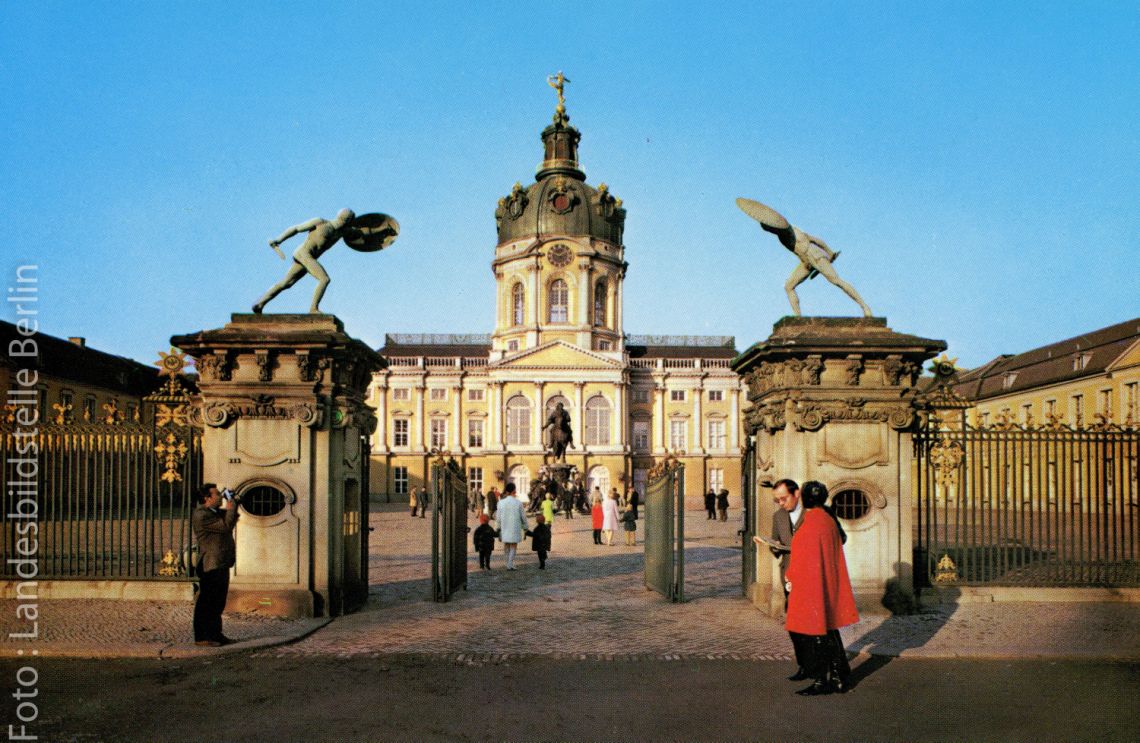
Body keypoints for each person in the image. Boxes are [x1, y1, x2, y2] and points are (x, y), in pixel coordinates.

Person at [736, 198, 872, 318]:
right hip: (806, 262)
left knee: (836, 280)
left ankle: (865, 306)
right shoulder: (781, 237)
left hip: (815, 256)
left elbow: (815, 240)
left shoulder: (791, 231)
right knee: (789, 286)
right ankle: (798, 318)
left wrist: (829, 253)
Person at [784, 481, 858, 695]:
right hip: (826, 581)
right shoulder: (828, 519)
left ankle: (821, 680)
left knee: (816, 632)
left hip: (812, 585)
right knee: (829, 630)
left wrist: (790, 576)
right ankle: (839, 676)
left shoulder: (810, 524)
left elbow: (801, 558)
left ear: (805, 498)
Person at [252, 208, 362, 314]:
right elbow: (296, 229)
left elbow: (363, 234)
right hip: (304, 254)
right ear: (348, 221)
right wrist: (278, 240)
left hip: (309, 257)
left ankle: (259, 304)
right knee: (324, 279)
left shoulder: (343, 232)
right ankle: (313, 309)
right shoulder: (320, 222)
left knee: (286, 283)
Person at [755, 478, 808, 680]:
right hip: (789, 574)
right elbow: (776, 545)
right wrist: (772, 545)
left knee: (812, 623)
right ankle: (804, 665)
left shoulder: (811, 513)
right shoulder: (778, 516)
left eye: (784, 499)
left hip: (810, 575)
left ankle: (818, 664)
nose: (780, 503)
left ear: (797, 494)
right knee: (794, 623)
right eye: (777, 500)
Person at [192, 483, 239, 646]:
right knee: (207, 602)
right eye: (217, 494)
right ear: (207, 498)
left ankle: (215, 634)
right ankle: (202, 637)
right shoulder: (201, 515)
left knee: (218, 602)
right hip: (210, 563)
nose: (220, 497)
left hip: (220, 562)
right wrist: (231, 504)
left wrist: (233, 501)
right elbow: (226, 525)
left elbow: (231, 516)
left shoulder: (212, 512)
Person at [496, 482, 529, 570]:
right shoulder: (518, 503)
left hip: (505, 526)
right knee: (513, 546)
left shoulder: (501, 503)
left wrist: (498, 527)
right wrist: (525, 527)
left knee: (506, 545)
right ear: (514, 491)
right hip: (515, 527)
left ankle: (508, 563)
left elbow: (498, 517)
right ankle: (510, 563)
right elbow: (523, 516)